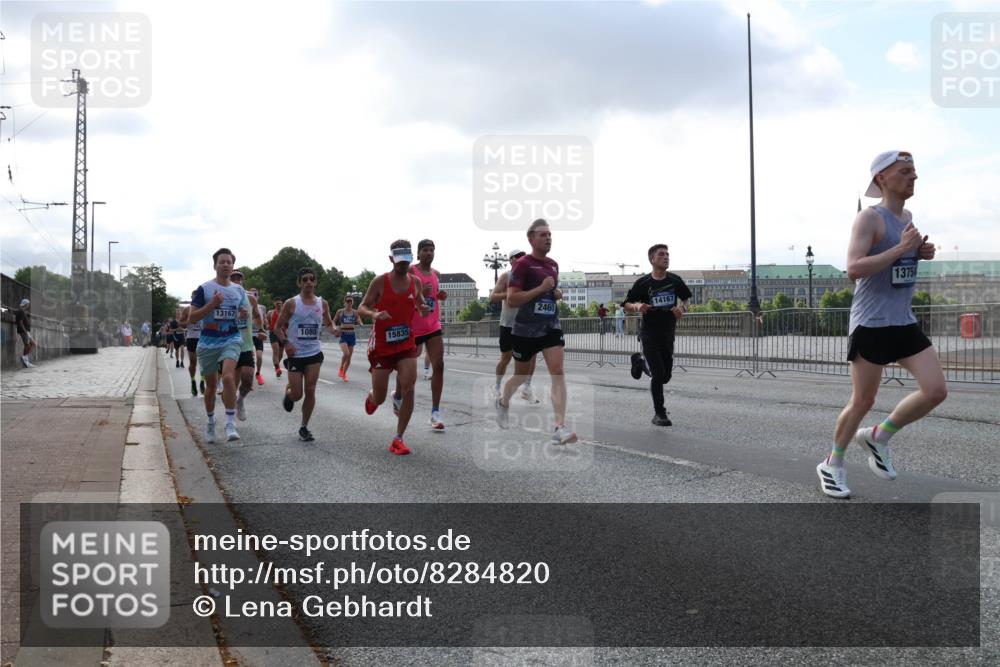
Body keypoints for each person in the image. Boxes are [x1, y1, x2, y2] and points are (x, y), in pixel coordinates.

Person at [817, 150, 945, 499]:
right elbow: (854, 268)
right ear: (881, 179)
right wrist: (901, 247)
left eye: (914, 172)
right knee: (862, 401)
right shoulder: (869, 219)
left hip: (902, 320)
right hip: (871, 323)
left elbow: (897, 259)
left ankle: (879, 435)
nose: (913, 177)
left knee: (936, 391)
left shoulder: (907, 216)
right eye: (905, 172)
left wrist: (918, 252)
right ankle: (832, 463)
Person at [495, 219, 576, 445]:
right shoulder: (522, 265)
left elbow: (549, 292)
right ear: (531, 239)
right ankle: (503, 401)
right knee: (520, 376)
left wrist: (554, 293)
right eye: (543, 235)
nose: (548, 238)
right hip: (524, 330)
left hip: (550, 325)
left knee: (558, 370)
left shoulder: (553, 264)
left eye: (550, 234)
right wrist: (541, 288)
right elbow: (511, 299)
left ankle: (560, 426)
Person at [360, 240, 430, 455]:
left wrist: (423, 308)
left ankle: (398, 438)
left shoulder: (415, 282)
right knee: (379, 397)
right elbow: (362, 307)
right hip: (382, 344)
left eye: (406, 261)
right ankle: (374, 397)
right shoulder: (379, 282)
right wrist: (374, 314)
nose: (402, 265)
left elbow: (418, 302)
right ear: (391, 259)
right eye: (399, 262)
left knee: (409, 387)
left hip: (406, 342)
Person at [623, 244, 692, 426]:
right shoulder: (643, 283)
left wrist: (682, 308)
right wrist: (637, 306)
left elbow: (686, 300)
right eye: (662, 254)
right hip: (649, 333)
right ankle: (659, 414)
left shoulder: (675, 280)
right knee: (658, 374)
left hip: (668, 333)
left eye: (668, 254)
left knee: (666, 376)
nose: (666, 257)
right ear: (652, 259)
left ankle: (639, 361)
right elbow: (626, 305)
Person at [188, 247, 249, 443]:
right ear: (215, 265)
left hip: (231, 339)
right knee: (211, 387)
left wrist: (242, 315)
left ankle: (230, 423)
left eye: (228, 262)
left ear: (232, 266)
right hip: (207, 342)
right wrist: (212, 304)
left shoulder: (239, 291)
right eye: (221, 262)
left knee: (229, 378)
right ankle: (211, 422)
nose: (225, 265)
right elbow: (192, 318)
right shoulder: (204, 289)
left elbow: (242, 315)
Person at [273, 267, 335, 442]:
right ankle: (290, 393)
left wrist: (335, 330)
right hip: (296, 354)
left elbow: (329, 324)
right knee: (298, 394)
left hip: (314, 353)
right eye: (305, 279)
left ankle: (304, 427)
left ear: (315, 282)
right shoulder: (291, 303)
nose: (308, 282)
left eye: (311, 279)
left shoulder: (322, 304)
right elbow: (277, 328)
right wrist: (286, 343)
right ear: (299, 283)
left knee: (311, 390)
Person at [397, 238, 448, 430]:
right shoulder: (411, 271)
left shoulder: (436, 274)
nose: (429, 253)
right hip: (413, 327)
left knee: (440, 365)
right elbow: (402, 296)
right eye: (425, 250)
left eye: (432, 250)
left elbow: (432, 296)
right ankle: (398, 395)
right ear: (418, 254)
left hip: (432, 325)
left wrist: (438, 295)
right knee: (406, 369)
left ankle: (435, 413)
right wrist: (419, 292)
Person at [489, 249, 539, 402]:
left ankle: (526, 388)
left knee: (532, 357)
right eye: (519, 258)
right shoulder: (506, 276)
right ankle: (497, 387)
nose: (523, 260)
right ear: (511, 260)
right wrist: (509, 295)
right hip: (508, 324)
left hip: (527, 324)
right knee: (506, 357)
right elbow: (493, 297)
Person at [229, 271, 264, 423]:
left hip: (246, 345)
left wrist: (261, 329)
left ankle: (240, 399)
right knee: (231, 383)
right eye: (233, 278)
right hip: (228, 345)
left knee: (248, 380)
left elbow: (256, 315)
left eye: (239, 279)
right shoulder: (223, 297)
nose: (236, 280)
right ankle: (229, 419)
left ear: (243, 281)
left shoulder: (250, 298)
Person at [179, 293, 204, 396]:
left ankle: (202, 382)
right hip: (192, 338)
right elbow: (181, 324)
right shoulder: (187, 309)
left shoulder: (205, 307)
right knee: (193, 362)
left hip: (204, 338)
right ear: (192, 298)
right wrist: (188, 322)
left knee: (204, 363)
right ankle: (193, 381)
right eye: (195, 298)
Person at [332, 295, 361, 381]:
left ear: (352, 303)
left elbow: (359, 320)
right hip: (343, 334)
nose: (349, 303)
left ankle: (344, 374)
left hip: (352, 335)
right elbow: (333, 321)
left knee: (349, 357)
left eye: (350, 301)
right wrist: (335, 329)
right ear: (344, 302)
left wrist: (360, 323)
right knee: (346, 353)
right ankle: (341, 367)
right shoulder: (340, 312)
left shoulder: (355, 312)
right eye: (347, 301)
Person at [267, 298, 286, 377]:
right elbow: (267, 321)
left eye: (280, 304)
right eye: (277, 304)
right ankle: (277, 368)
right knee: (276, 350)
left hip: (283, 334)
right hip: (273, 333)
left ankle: (276, 364)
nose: (278, 305)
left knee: (280, 354)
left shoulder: (285, 313)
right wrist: (268, 325)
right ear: (274, 304)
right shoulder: (270, 313)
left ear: (282, 304)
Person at [14, 298, 35, 367]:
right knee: (28, 344)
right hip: (24, 331)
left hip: (25, 331)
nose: (29, 305)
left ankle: (25, 359)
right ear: (26, 304)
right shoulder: (21, 311)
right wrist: (25, 331)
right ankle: (25, 359)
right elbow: (20, 322)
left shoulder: (22, 311)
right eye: (28, 304)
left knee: (32, 344)